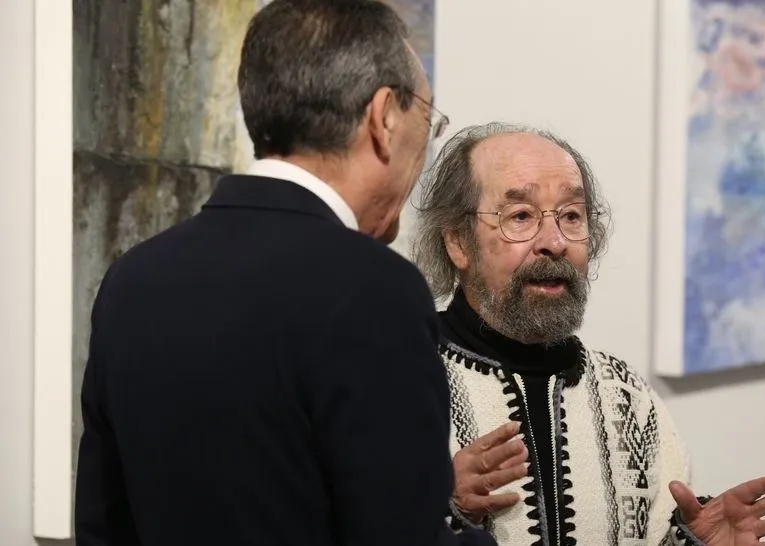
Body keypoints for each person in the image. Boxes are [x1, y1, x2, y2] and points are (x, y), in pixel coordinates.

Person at [74, 2, 493, 545]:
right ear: (384, 117)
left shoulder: (132, 280)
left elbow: (104, 529)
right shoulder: (374, 290)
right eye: (427, 121)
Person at [411, 122, 765, 546]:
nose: (554, 242)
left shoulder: (627, 394)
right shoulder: (403, 380)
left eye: (571, 216)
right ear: (457, 243)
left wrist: (693, 542)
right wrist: (437, 502)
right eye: (520, 216)